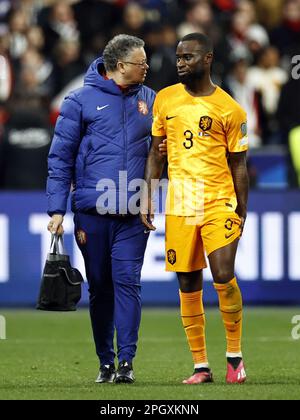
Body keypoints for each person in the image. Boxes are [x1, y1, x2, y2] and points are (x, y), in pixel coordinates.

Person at [141, 33, 249, 384]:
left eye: (188, 56)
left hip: (219, 200)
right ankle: (201, 366)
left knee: (222, 274)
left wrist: (241, 210)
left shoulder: (230, 109)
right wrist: (147, 195)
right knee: (187, 282)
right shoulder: (165, 99)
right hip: (181, 202)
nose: (180, 62)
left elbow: (239, 164)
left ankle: (235, 358)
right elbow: (156, 152)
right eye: (178, 56)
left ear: (207, 59)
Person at [46, 34, 155, 384]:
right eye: (142, 62)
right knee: (100, 288)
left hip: (133, 212)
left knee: (128, 282)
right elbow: (60, 158)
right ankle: (105, 362)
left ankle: (126, 362)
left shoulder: (152, 100)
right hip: (92, 211)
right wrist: (56, 210)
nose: (147, 67)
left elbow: (161, 154)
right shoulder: (78, 101)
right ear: (121, 66)